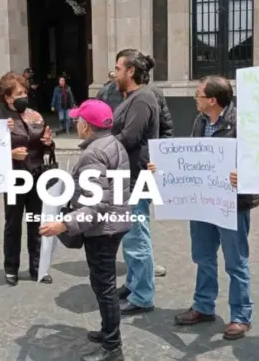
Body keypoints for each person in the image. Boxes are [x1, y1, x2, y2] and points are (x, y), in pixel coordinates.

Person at [165, 75, 259, 341]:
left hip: (233, 203)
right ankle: (203, 305)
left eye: (198, 95)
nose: (195, 99)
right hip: (203, 201)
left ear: (212, 100)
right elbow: (194, 157)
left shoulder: (241, 123)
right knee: (203, 255)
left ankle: (241, 316)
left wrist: (245, 175)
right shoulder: (200, 121)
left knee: (235, 260)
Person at [40, 99, 131, 361]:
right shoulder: (112, 143)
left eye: (79, 120)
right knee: (102, 283)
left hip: (102, 228)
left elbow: (96, 204)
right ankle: (107, 332)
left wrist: (65, 224)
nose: (76, 123)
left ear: (87, 126)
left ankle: (113, 347)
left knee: (104, 287)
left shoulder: (93, 153)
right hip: (114, 223)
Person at [0, 72, 55, 286]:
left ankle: (38, 266)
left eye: (25, 92)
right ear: (7, 97)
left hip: (36, 175)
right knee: (13, 224)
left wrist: (47, 141)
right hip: (14, 177)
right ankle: (11, 267)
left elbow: (43, 143)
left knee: (36, 221)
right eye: (19, 93)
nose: (24, 96)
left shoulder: (34, 115)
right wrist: (9, 154)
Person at [112, 49, 159, 316]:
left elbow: (129, 137)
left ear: (131, 71)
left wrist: (101, 143)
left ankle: (143, 295)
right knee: (129, 235)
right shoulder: (133, 98)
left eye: (118, 68)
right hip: (126, 176)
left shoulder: (142, 99)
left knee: (137, 237)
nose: (115, 72)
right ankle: (133, 283)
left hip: (136, 176)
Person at [143, 75, 174, 278]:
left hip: (145, 168)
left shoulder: (153, 93)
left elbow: (166, 128)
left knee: (139, 218)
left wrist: (160, 155)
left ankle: (145, 264)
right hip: (116, 166)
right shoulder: (108, 92)